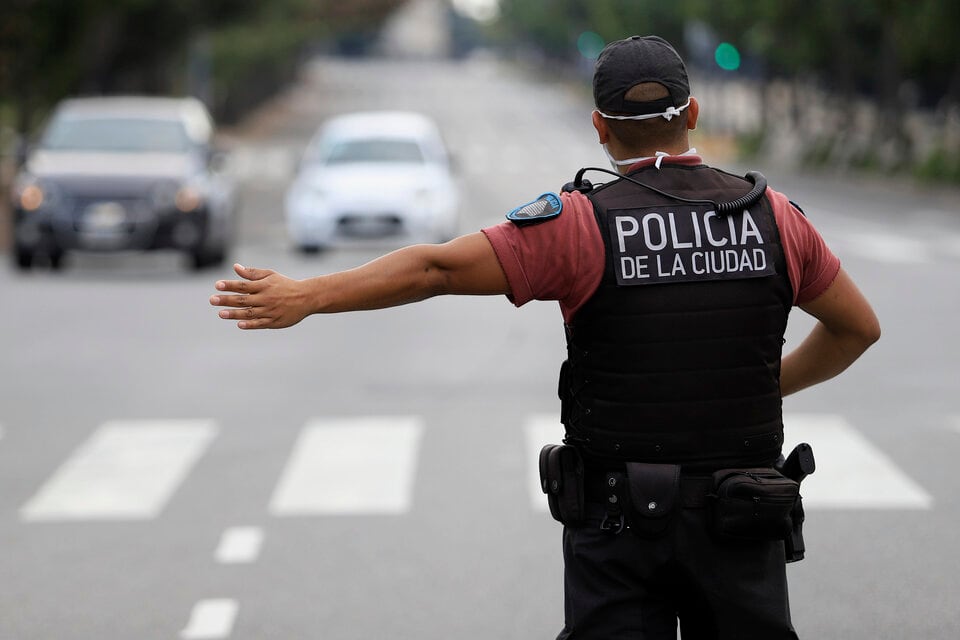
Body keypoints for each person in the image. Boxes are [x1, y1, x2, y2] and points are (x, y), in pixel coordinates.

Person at [210, 35, 880, 639]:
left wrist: (305, 296)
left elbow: (434, 268)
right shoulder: (774, 219)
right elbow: (857, 328)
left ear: (599, 128)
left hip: (621, 529)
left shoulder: (579, 226)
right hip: (742, 518)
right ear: (693, 114)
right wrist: (766, 384)